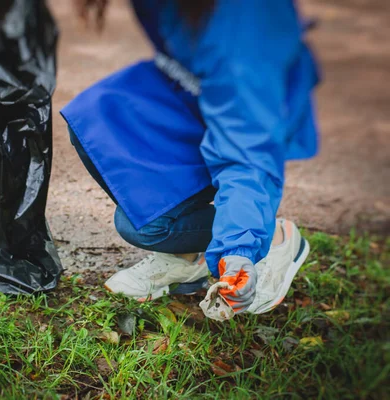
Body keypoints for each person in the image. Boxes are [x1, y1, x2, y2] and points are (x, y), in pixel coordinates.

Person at [62, 0, 319, 315]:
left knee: (145, 226)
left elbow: (246, 154)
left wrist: (238, 249)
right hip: (194, 92)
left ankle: (272, 241)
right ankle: (187, 258)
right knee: (97, 120)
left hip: (250, 109)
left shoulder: (242, 27)